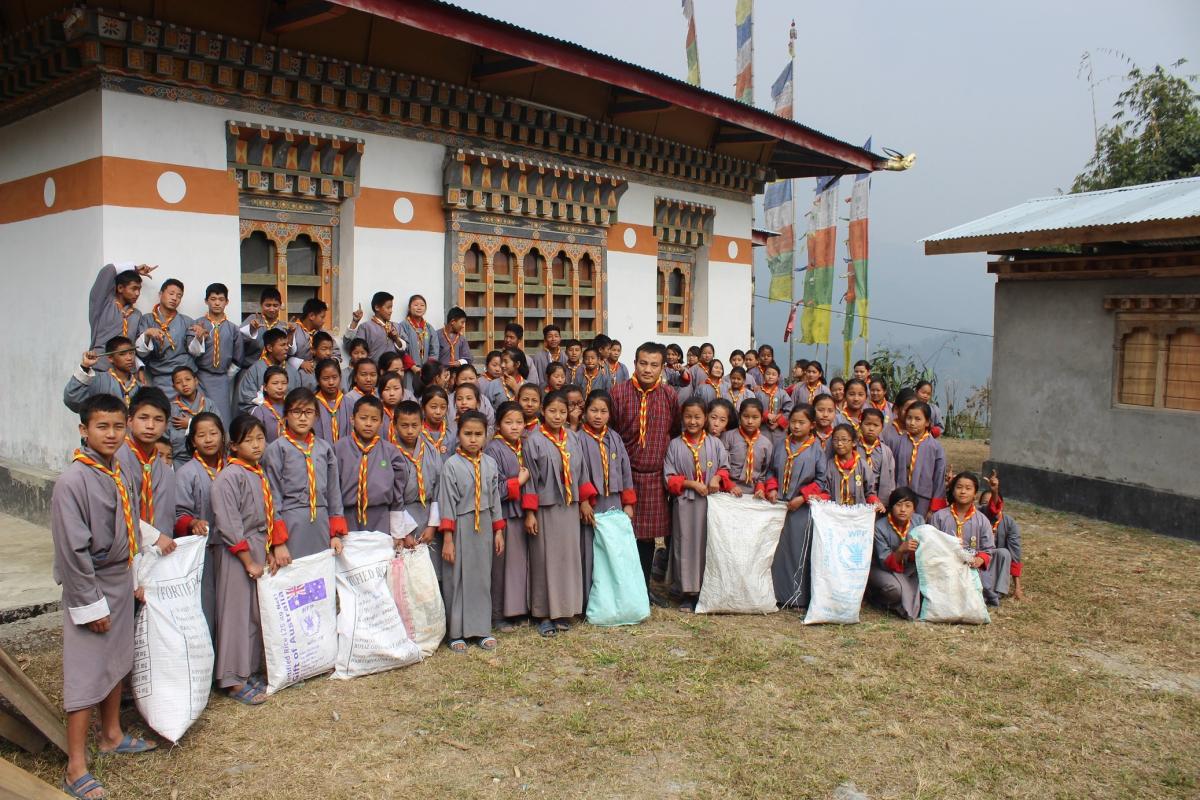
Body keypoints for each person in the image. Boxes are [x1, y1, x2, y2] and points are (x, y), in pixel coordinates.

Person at [53, 394, 159, 799]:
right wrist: (90, 604)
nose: (111, 434)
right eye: (102, 426)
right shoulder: (73, 481)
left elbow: (130, 525)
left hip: (119, 577)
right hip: (92, 584)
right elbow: (72, 552)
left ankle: (111, 734)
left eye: (118, 426)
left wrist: (134, 574)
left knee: (117, 661)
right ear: (84, 430)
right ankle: (75, 765)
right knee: (86, 672)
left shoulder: (119, 471)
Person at [212, 414, 289, 706]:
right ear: (233, 445)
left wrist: (268, 550)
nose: (256, 445)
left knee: (254, 615)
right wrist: (247, 560)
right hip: (237, 552)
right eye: (248, 440)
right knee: (236, 615)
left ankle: (249, 670)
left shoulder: (257, 472)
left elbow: (267, 514)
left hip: (258, 545)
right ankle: (232, 678)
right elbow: (229, 524)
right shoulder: (229, 477)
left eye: (260, 438)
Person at [609, 342, 678, 601]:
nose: (647, 370)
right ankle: (623, 587)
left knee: (648, 538)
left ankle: (644, 588)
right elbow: (611, 431)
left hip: (654, 476)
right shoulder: (618, 393)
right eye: (643, 363)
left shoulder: (670, 395)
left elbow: (676, 429)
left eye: (654, 365)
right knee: (623, 534)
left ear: (662, 367)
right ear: (635, 363)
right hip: (624, 475)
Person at [524, 390, 594, 636]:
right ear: (543, 411)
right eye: (552, 411)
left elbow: (582, 470)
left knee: (567, 559)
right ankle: (543, 613)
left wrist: (584, 500)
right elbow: (529, 479)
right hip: (545, 509)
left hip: (570, 507)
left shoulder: (572, 438)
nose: (557, 416)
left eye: (562, 412)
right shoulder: (533, 440)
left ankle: (564, 609)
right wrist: (530, 512)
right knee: (545, 560)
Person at [437, 411, 505, 652]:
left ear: (486, 436)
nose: (473, 440)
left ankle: (481, 629)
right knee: (457, 578)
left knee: (481, 578)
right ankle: (456, 632)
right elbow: (446, 502)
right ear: (459, 435)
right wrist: (447, 538)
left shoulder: (490, 463)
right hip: (460, 526)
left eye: (478, 434)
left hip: (484, 525)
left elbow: (495, 498)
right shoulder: (451, 466)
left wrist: (498, 530)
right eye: (468, 434)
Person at [263, 387, 347, 559]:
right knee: (296, 580)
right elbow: (272, 495)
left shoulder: (325, 448)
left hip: (321, 522)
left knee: (321, 578)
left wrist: (335, 533)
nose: (302, 417)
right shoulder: (276, 449)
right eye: (296, 411)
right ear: (285, 415)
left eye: (308, 412)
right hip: (291, 523)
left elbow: (333, 492)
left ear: (316, 416)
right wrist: (278, 542)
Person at [664, 398, 728, 612]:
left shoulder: (715, 444)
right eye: (688, 416)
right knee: (686, 545)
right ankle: (686, 592)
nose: (693, 421)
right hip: (684, 505)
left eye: (698, 417)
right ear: (682, 418)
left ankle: (705, 589)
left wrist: (717, 479)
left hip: (710, 506)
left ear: (706, 418)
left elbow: (725, 469)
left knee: (706, 545)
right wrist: (690, 484)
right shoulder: (675, 444)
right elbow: (669, 478)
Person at [578, 391, 636, 609]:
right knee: (590, 549)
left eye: (603, 411)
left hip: (613, 502)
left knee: (612, 549)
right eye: (593, 410)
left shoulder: (615, 438)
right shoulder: (578, 438)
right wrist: (583, 500)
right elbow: (577, 471)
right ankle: (589, 600)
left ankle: (613, 599)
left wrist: (628, 502)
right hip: (592, 505)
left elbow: (625, 470)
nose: (598, 416)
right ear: (585, 412)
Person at [768, 404, 829, 608]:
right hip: (780, 506)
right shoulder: (781, 445)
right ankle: (777, 593)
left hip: (802, 509)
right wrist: (773, 488)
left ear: (812, 425)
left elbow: (821, 480)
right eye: (793, 421)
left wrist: (802, 497)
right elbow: (770, 470)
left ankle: (798, 596)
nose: (796, 426)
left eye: (801, 422)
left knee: (798, 550)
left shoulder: (817, 450)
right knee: (779, 552)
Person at [485, 402, 537, 632]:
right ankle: (497, 614)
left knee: (519, 566)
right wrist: (518, 483)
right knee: (501, 567)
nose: (515, 427)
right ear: (498, 425)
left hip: (521, 513)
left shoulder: (524, 446)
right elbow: (493, 487)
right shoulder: (493, 449)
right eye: (508, 422)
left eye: (519, 422)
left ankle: (516, 610)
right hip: (503, 514)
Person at [173, 411, 225, 639]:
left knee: (230, 606)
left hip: (233, 548)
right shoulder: (186, 473)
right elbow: (178, 512)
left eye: (213, 433)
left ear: (222, 436)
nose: (209, 439)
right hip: (203, 552)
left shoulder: (234, 467)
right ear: (193, 440)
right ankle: (209, 666)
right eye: (201, 435)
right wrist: (192, 522)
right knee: (206, 606)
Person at [333, 395, 411, 536]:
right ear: (352, 419)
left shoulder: (390, 451)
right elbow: (332, 488)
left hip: (381, 517)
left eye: (374, 419)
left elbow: (398, 491)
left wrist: (397, 531)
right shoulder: (338, 449)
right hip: (347, 516)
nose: (368, 424)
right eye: (363, 418)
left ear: (381, 423)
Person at [930, 472, 1006, 606]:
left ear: (975, 494)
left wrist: (980, 559)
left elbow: (988, 549)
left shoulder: (982, 520)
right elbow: (932, 545)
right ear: (953, 491)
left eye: (968, 488)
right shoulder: (939, 517)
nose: (963, 491)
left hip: (971, 569)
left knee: (977, 592)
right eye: (959, 487)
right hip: (945, 568)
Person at [116, 388, 178, 550]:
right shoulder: (115, 460)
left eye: (158, 419)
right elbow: (114, 512)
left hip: (158, 555)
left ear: (166, 425)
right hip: (123, 552)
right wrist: (153, 537)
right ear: (129, 421)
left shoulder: (166, 471)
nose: (150, 425)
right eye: (143, 418)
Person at [189, 282, 244, 423]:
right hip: (200, 377)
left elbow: (238, 358)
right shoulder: (197, 324)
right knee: (199, 415)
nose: (217, 303)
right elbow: (191, 352)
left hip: (222, 379)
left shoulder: (233, 329)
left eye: (221, 299)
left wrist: (225, 376)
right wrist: (199, 337)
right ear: (206, 301)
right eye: (213, 299)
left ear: (227, 302)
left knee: (221, 418)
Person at [866, 487, 924, 620]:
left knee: (926, 586)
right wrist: (901, 550)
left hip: (910, 569)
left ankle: (902, 605)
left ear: (914, 509)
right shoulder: (880, 527)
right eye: (898, 505)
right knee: (895, 590)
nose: (903, 510)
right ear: (891, 507)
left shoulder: (918, 521)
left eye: (908, 506)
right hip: (883, 569)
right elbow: (883, 561)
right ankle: (876, 599)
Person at [134, 278, 197, 400]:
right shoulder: (146, 320)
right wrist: (147, 334)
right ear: (160, 294)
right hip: (161, 376)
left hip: (185, 375)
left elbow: (196, 352)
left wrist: (199, 338)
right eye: (171, 293)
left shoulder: (187, 321)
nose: (174, 298)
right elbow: (141, 352)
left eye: (179, 296)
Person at [88, 263, 154, 370]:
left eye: (139, 289)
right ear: (120, 288)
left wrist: (139, 367)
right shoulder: (103, 305)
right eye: (134, 288)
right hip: (101, 367)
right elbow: (109, 270)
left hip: (126, 372)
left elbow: (135, 347)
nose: (137, 293)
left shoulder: (137, 314)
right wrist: (134, 268)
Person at [892, 401, 948, 518]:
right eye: (909, 418)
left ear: (927, 422)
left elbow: (939, 478)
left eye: (918, 419)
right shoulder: (897, 442)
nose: (912, 423)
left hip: (924, 500)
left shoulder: (935, 447)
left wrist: (934, 507)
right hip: (899, 499)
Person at [978, 471, 1024, 601]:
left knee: (1004, 553)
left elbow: (1015, 554)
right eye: (984, 503)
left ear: (1000, 505)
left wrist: (1017, 588)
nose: (988, 506)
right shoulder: (978, 515)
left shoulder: (1009, 524)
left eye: (992, 501)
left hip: (996, 560)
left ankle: (997, 593)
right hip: (977, 557)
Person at [64, 338, 141, 413]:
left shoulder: (139, 386)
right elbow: (72, 399)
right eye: (122, 354)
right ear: (110, 358)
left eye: (131, 353)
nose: (129, 358)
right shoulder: (98, 380)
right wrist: (85, 367)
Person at [236, 328, 300, 414]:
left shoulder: (293, 371)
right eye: (282, 345)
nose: (286, 348)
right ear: (269, 348)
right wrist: (266, 412)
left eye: (287, 345)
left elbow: (298, 398)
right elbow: (247, 398)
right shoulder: (255, 370)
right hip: (262, 418)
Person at [721, 397, 773, 498]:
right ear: (740, 416)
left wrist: (760, 488)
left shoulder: (766, 444)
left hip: (753, 492)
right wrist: (729, 485)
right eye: (746, 416)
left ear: (762, 419)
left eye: (755, 417)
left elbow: (764, 471)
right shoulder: (727, 437)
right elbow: (720, 466)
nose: (750, 421)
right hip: (727, 489)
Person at [344, 291, 413, 364]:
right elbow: (351, 346)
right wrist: (355, 322)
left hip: (393, 372)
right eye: (388, 307)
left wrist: (396, 339)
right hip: (374, 371)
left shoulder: (397, 326)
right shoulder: (366, 327)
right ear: (377, 307)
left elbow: (407, 348)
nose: (391, 311)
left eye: (391, 308)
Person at [822, 424, 881, 508]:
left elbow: (869, 492)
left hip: (857, 513)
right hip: (835, 513)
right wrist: (819, 498)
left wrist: (876, 502)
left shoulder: (862, 465)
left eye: (844, 440)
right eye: (835, 440)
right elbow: (826, 492)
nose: (839, 443)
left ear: (853, 442)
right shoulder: (829, 465)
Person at [167, 365, 214, 464]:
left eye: (188, 379)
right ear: (174, 387)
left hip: (207, 457)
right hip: (179, 459)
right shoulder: (171, 408)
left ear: (196, 381)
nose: (184, 384)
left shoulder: (209, 404)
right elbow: (167, 435)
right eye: (179, 382)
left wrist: (190, 423)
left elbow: (218, 429)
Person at [239, 287, 288, 363]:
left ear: (280, 306)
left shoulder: (284, 326)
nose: (272, 309)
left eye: (275, 305)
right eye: (268, 305)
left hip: (275, 370)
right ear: (261, 305)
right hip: (250, 367)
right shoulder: (252, 319)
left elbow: (289, 352)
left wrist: (291, 334)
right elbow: (238, 341)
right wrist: (251, 329)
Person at [858, 408, 896, 504]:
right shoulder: (853, 448)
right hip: (857, 490)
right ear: (860, 425)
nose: (871, 429)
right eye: (867, 424)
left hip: (878, 494)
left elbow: (891, 478)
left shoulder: (886, 451)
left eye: (876, 425)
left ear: (882, 427)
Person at [313, 358, 351, 443]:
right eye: (325, 378)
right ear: (318, 380)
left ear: (340, 377)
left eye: (334, 377)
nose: (331, 382)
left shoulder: (350, 404)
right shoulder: (312, 405)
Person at [398, 294, 438, 373]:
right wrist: (413, 367)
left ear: (425, 308)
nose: (419, 308)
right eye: (416, 305)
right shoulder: (403, 326)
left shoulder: (429, 328)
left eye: (422, 305)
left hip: (426, 371)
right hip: (409, 369)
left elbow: (435, 350)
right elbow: (401, 349)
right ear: (409, 308)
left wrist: (428, 368)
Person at [288, 298, 328, 376]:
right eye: (322, 317)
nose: (324, 321)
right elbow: (287, 355)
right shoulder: (293, 329)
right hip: (296, 374)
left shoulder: (322, 332)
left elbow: (335, 351)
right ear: (311, 316)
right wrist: (300, 363)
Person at [755, 363, 792, 446]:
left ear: (778, 377)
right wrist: (766, 415)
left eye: (774, 374)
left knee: (779, 451)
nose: (770, 376)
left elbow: (789, 410)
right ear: (763, 375)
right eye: (768, 374)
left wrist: (778, 421)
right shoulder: (757, 393)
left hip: (778, 430)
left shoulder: (782, 393)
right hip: (762, 428)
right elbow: (753, 408)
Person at [250, 366, 289, 444]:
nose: (280, 387)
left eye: (284, 383)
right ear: (265, 387)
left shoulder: (292, 407)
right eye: (275, 383)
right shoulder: (259, 411)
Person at [421, 386, 456, 457]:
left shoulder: (451, 433)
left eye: (443, 407)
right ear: (423, 407)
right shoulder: (417, 434)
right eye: (433, 407)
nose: (438, 412)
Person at [881, 387, 917, 453]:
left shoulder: (921, 433)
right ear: (896, 409)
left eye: (915, 409)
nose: (911, 414)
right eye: (907, 410)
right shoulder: (887, 435)